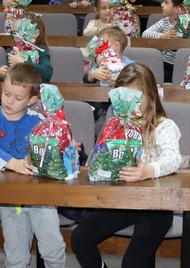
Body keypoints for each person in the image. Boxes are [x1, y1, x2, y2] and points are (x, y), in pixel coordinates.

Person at [71, 63, 182, 268]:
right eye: (124, 98)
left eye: (136, 98)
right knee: (80, 238)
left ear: (151, 96)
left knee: (132, 263)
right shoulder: (116, 125)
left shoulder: (164, 127)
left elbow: (173, 159)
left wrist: (148, 171)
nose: (130, 104)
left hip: (156, 207)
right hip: (122, 202)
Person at [0, 63, 67, 268]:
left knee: (53, 250)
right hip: (10, 198)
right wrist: (13, 164)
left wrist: (64, 146)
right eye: (6, 93)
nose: (9, 101)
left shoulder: (40, 120)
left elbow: (50, 150)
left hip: (40, 197)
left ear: (32, 100)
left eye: (18, 98)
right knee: (16, 256)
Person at [141, 0, 190, 83]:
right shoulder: (164, 22)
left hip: (187, 64)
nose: (162, 4)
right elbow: (145, 34)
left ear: (178, 8)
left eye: (166, 2)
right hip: (166, 64)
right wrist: (163, 36)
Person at [0, 12, 53, 82]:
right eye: (14, 32)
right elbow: (7, 74)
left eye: (21, 31)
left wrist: (23, 63)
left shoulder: (41, 51)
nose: (16, 36)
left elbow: (47, 72)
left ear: (35, 33)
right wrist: (0, 74)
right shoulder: (14, 51)